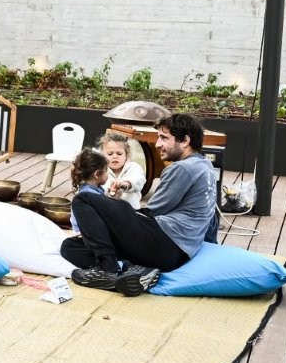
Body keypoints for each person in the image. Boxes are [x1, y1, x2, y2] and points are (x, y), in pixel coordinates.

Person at [61, 113, 218, 297]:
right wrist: (94, 231)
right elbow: (211, 218)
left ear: (184, 141)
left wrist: (107, 218)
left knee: (83, 200)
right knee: (71, 247)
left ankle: (108, 270)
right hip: (176, 254)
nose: (157, 144)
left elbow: (150, 213)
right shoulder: (205, 165)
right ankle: (135, 271)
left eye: (164, 138)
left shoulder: (182, 168)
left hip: (162, 242)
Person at [66, 148, 111, 233]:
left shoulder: (89, 188)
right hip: (85, 234)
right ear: (97, 174)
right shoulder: (90, 195)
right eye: (106, 170)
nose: (107, 174)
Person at [100, 131, 146, 209]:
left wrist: (127, 184)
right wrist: (110, 192)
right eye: (110, 154)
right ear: (102, 155)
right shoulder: (101, 171)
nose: (115, 156)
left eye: (119, 154)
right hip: (109, 210)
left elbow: (139, 179)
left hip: (131, 210)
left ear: (126, 155)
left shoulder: (134, 167)